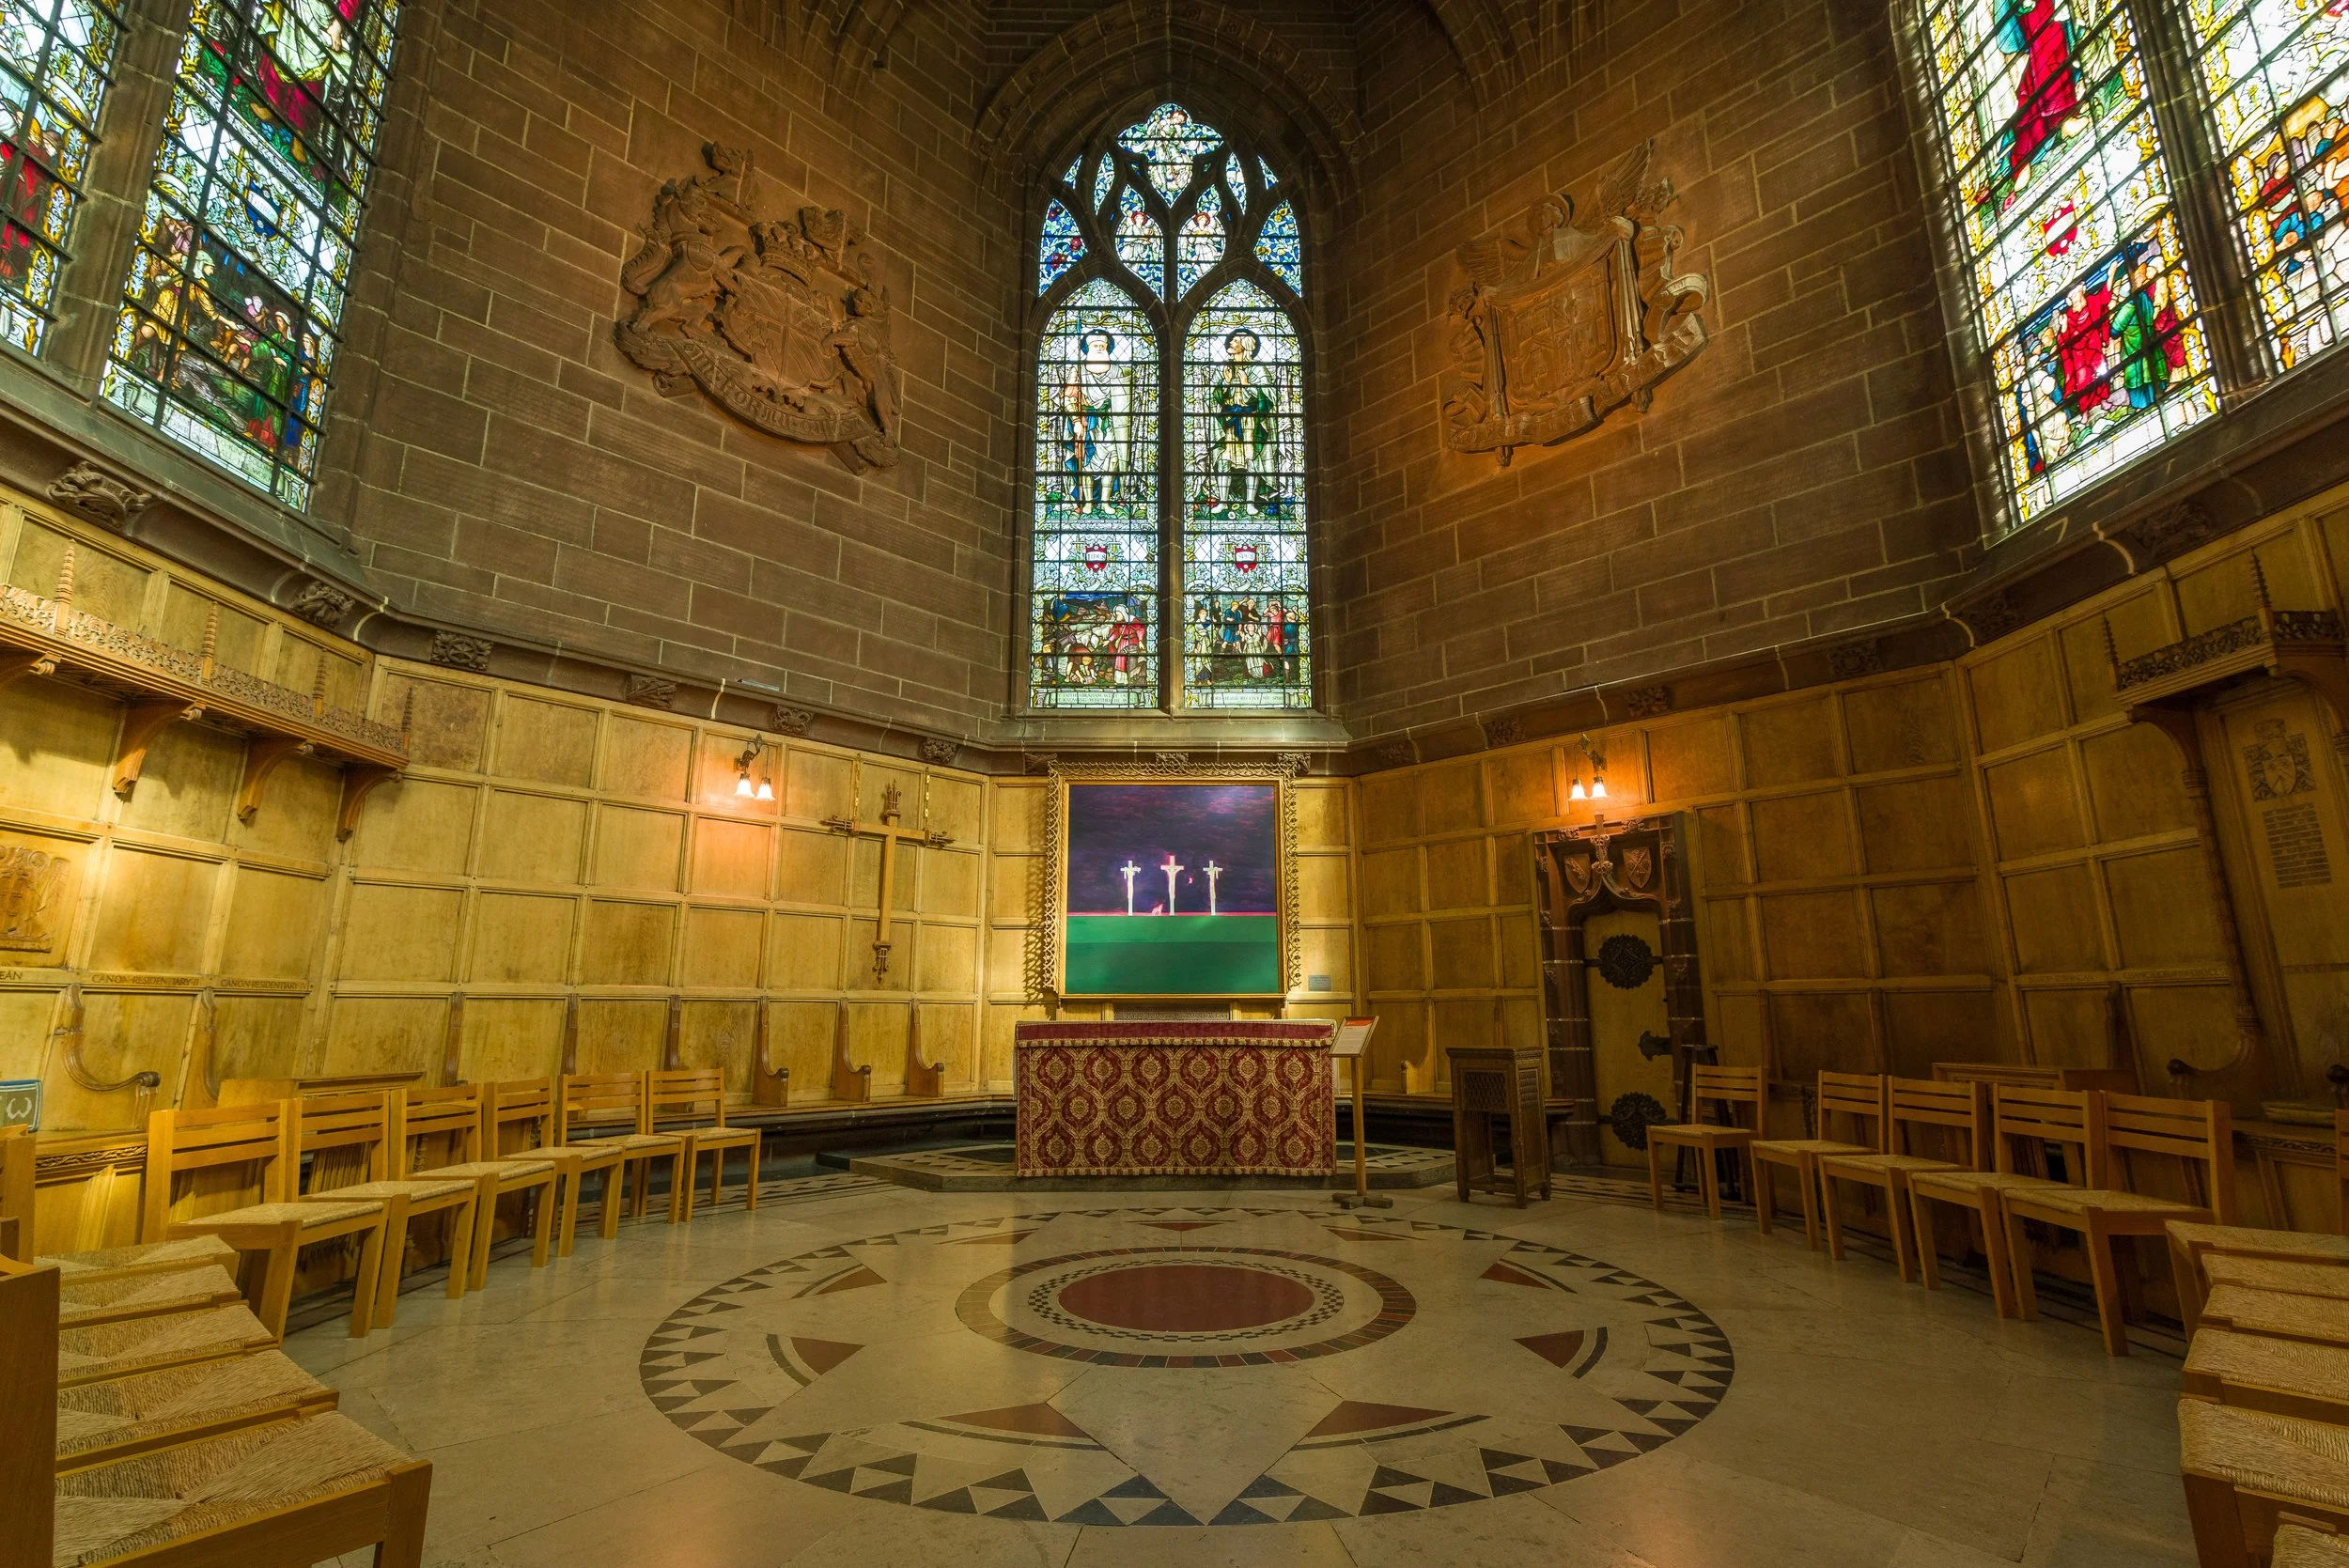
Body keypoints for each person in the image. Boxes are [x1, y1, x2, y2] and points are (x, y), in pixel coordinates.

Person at [1056, 327, 1127, 514]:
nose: (1099, 348)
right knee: (1086, 462)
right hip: (1086, 422)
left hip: (1111, 423)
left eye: (1102, 346)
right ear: (1087, 348)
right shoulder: (1078, 370)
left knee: (1112, 461)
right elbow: (1068, 398)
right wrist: (1076, 420)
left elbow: (1124, 399)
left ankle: (1105, 502)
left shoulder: (1118, 371)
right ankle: (1088, 503)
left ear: (1108, 348)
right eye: (1095, 345)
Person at [1210, 328, 1278, 513]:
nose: (1231, 343)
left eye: (1235, 341)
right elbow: (1214, 395)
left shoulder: (1258, 369)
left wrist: (1247, 385)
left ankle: (1250, 503)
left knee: (1251, 459)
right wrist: (1226, 382)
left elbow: (1271, 396)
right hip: (1229, 421)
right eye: (1231, 341)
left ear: (1245, 346)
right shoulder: (1224, 368)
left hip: (1250, 421)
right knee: (1224, 459)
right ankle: (1222, 501)